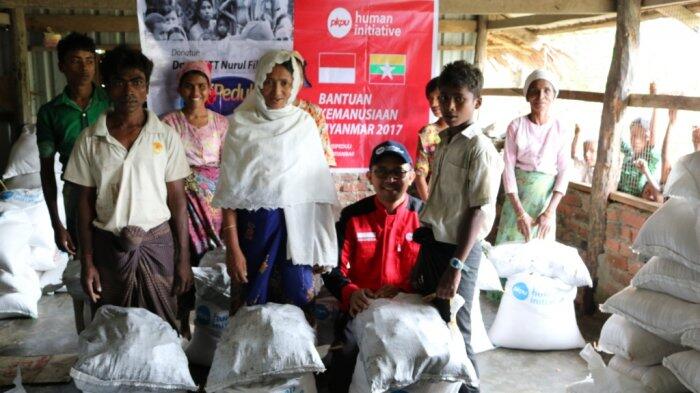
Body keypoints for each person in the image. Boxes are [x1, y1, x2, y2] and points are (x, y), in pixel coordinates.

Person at [63, 45, 193, 329]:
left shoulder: (165, 136)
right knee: (114, 330)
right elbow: (82, 203)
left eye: (137, 82)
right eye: (119, 83)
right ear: (107, 88)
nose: (129, 91)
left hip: (157, 247)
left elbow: (177, 200)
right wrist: (87, 262)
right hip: (109, 250)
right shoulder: (90, 139)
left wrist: (183, 258)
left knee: (161, 331)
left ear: (146, 88)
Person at [212, 50, 340, 319]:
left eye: (285, 82)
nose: (276, 90)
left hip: (299, 238)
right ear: (258, 81)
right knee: (251, 312)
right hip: (254, 237)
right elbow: (229, 196)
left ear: (294, 86)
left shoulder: (304, 125)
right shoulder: (240, 125)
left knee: (298, 308)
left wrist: (322, 245)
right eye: (269, 81)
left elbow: (317, 192)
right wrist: (233, 249)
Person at [411, 61, 503, 393]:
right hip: (438, 244)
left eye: (459, 99)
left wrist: (456, 267)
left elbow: (478, 212)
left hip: (459, 252)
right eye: (445, 97)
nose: (450, 107)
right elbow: (447, 200)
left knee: (457, 329)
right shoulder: (448, 139)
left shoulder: (479, 148)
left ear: (477, 102)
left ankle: (472, 390)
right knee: (436, 325)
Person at [322, 140, 422, 392]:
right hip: (362, 308)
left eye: (398, 172)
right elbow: (332, 268)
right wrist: (350, 292)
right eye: (381, 172)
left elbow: (434, 273)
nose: (390, 179)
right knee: (343, 359)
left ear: (411, 176)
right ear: (369, 177)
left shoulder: (425, 218)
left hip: (410, 309)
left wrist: (405, 291)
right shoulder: (353, 216)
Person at [162, 61, 228, 338]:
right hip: (181, 203)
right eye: (189, 85)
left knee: (212, 261)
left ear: (210, 89)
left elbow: (226, 166)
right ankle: (182, 324)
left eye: (202, 86)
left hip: (214, 208)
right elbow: (163, 165)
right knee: (182, 256)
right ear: (179, 88)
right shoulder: (168, 123)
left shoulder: (222, 123)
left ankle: (211, 324)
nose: (195, 92)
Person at [36, 32, 110, 257]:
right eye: (75, 61)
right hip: (76, 196)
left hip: (114, 188)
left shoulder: (111, 102)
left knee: (119, 260)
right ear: (61, 66)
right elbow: (47, 171)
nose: (84, 68)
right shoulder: (50, 112)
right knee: (85, 262)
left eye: (89, 61)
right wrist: (56, 224)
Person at [496, 69, 571, 243]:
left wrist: (549, 212)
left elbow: (565, 171)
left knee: (538, 255)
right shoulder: (516, 126)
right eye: (535, 91)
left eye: (547, 91)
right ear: (527, 95)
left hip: (545, 204)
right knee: (509, 250)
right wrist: (520, 212)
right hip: (517, 202)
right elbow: (507, 169)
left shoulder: (560, 128)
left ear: (554, 96)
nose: (541, 96)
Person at [292, 52, 336, 167]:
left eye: (295, 77)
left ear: (301, 80)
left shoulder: (313, 112)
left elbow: (325, 160)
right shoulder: (261, 111)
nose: (289, 83)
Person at [414, 77, 448, 201]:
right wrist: (429, 206)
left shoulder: (466, 133)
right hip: (435, 198)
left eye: (438, 98)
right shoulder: (428, 132)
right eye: (430, 99)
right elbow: (420, 175)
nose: (433, 104)